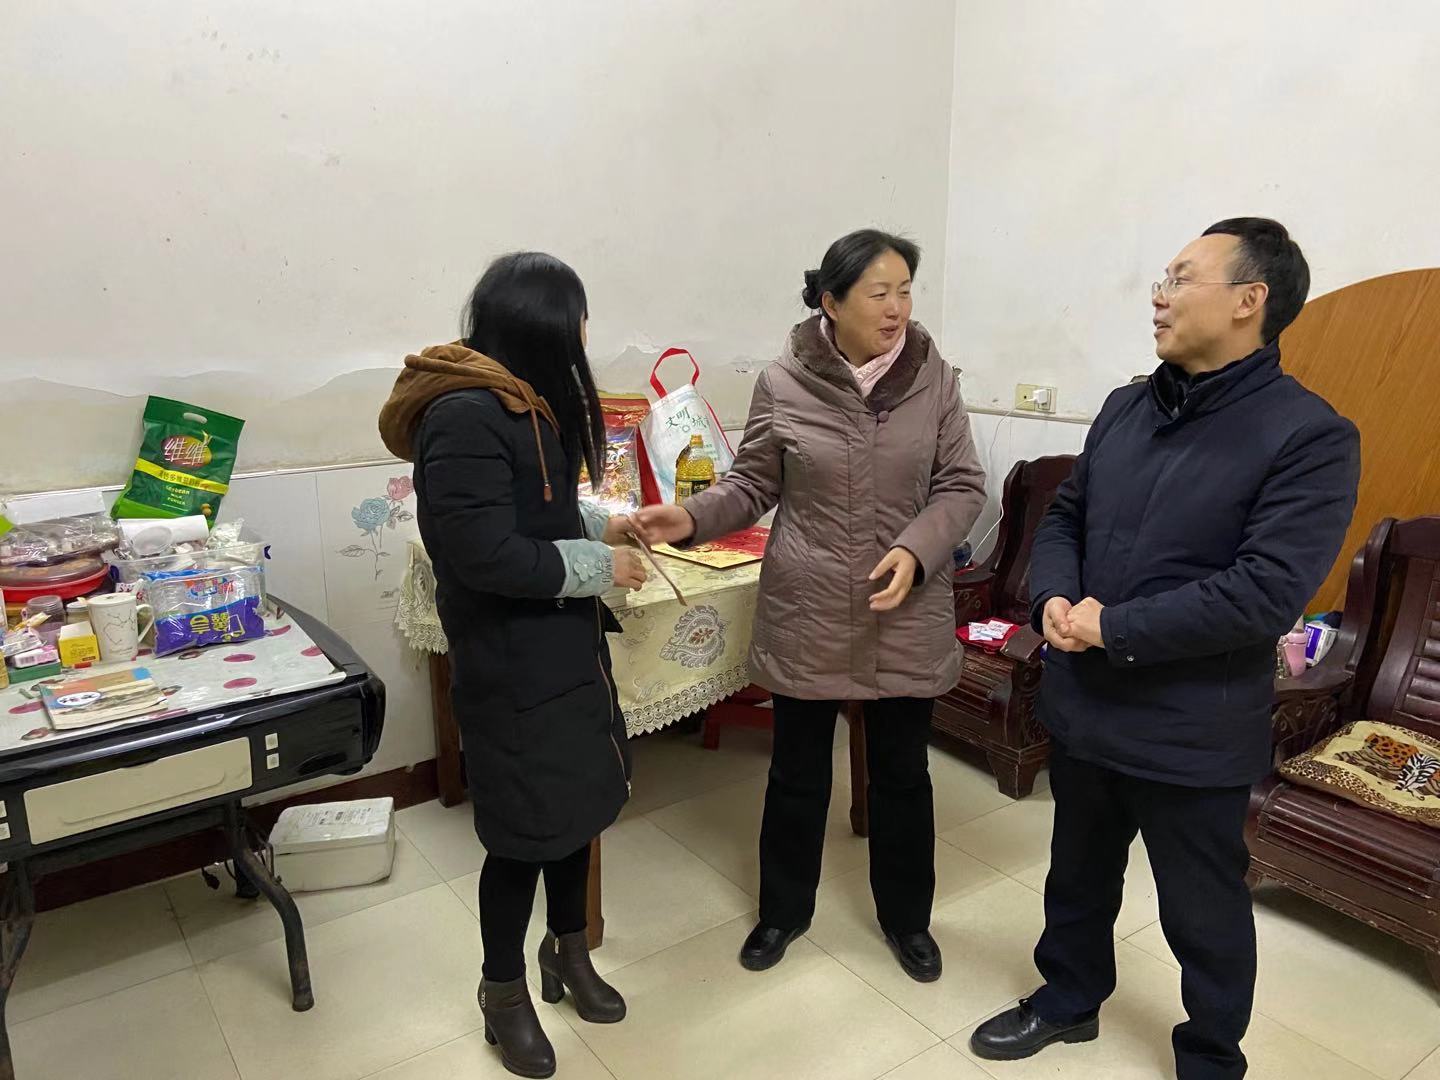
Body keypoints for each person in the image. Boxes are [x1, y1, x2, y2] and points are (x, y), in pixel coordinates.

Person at [969, 218, 1361, 1078]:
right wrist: (1055, 598)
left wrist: (1111, 627)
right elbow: (1067, 516)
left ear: (1249, 300)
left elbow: (1264, 592)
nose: (1159, 296)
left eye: (1181, 278)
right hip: (1087, 703)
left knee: (1202, 910)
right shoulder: (1126, 407)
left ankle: (1211, 1056)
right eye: (1163, 279)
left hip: (1192, 727)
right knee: (1077, 874)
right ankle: (1068, 999)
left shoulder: (1308, 436)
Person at [637, 229, 987, 981]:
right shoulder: (784, 381)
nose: (897, 309)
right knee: (797, 774)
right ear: (831, 302)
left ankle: (907, 921)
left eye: (905, 291)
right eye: (878, 293)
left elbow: (961, 485)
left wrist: (917, 549)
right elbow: (753, 484)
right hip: (810, 607)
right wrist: (689, 517)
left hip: (904, 606)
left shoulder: (935, 379)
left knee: (902, 775)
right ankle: (783, 912)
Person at [379, 252, 649, 1080]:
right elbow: (482, 554)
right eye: (578, 318)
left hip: (565, 652)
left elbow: (542, 511)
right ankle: (502, 994)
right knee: (521, 837)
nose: (586, 334)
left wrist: (605, 527)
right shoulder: (464, 416)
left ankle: (566, 953)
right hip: (509, 666)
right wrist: (601, 567)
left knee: (577, 812)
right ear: (543, 325)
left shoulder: (526, 402)